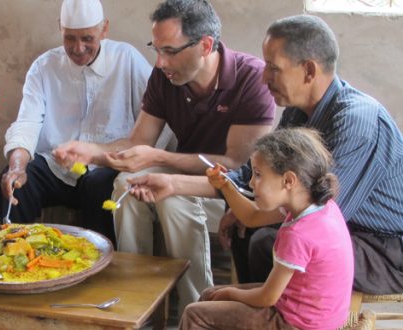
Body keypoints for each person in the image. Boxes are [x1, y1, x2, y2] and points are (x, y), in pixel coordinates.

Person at [129, 14, 403, 296]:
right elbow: (250, 178)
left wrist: (248, 211)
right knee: (249, 227)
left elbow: (320, 211)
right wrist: (172, 184)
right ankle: (258, 312)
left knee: (269, 240)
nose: (265, 78)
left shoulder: (357, 120)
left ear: (308, 70)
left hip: (393, 252)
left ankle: (267, 313)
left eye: (274, 68)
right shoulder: (297, 113)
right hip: (348, 231)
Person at [53, 0, 276, 312]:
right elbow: (137, 142)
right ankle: (134, 300)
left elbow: (236, 165)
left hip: (229, 192)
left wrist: (162, 159)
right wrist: (91, 151)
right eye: (156, 49)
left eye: (169, 50)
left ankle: (196, 308)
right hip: (182, 178)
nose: (159, 62)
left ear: (205, 45)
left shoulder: (250, 78)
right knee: (126, 184)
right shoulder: (166, 77)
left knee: (172, 198)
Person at [0, 0, 153, 245]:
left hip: (106, 166)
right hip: (57, 168)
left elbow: (154, 121)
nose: (78, 48)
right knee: (13, 183)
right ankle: (18, 256)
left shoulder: (127, 59)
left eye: (87, 38)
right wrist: (17, 166)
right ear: (61, 29)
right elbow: (27, 122)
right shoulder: (44, 67)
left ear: (104, 29)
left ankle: (98, 266)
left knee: (99, 185)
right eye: (70, 38)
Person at [179, 128, 353, 330]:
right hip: (308, 312)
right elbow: (252, 216)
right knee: (210, 295)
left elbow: (268, 297)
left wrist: (229, 294)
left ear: (288, 180)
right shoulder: (314, 205)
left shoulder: (299, 234)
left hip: (298, 324)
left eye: (259, 175)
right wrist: (226, 186)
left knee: (196, 314)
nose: (252, 182)